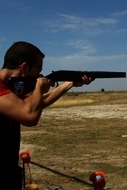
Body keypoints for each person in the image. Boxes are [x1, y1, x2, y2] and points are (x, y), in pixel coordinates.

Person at [0, 41, 93, 190]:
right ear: (24, 67)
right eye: (38, 68)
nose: (40, 74)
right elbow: (29, 116)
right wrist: (39, 87)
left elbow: (35, 104)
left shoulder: (8, 88)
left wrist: (68, 84)